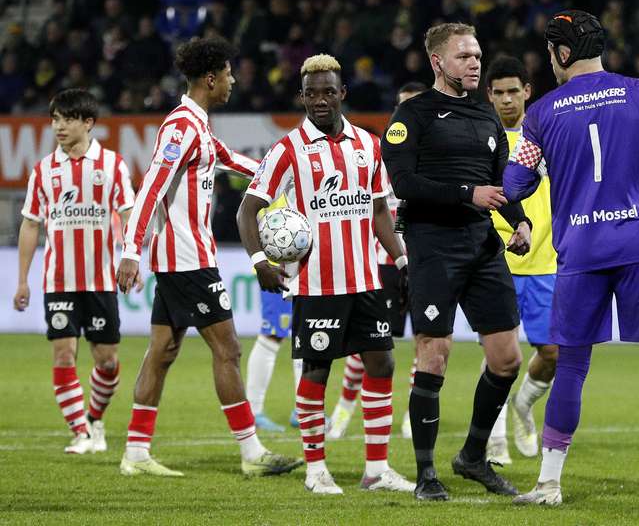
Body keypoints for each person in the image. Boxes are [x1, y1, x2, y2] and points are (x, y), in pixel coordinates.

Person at [504, 10, 639, 508]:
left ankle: (548, 485)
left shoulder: (542, 113)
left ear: (561, 53)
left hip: (579, 249)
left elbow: (516, 185)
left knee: (573, 364)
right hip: (638, 246)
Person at [116, 36, 301, 478]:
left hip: (181, 260)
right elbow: (151, 188)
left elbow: (235, 161)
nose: (234, 81)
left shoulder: (196, 126)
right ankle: (251, 452)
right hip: (188, 260)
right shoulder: (181, 128)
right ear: (211, 78)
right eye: (229, 74)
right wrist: (130, 250)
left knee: (161, 351)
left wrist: (293, 177)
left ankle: (136, 453)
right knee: (229, 348)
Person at [236, 54, 415, 495]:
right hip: (317, 286)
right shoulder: (287, 150)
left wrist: (403, 259)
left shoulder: (368, 145)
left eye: (328, 91)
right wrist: (261, 260)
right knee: (316, 371)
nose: (320, 100)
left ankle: (376, 470)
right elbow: (247, 210)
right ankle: (316, 470)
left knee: (383, 361)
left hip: (366, 280)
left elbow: (378, 212)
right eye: (311, 93)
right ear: (301, 96)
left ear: (342, 93)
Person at [381, 23, 532, 501]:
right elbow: (404, 183)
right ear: (437, 62)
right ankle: (426, 476)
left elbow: (500, 183)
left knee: (507, 359)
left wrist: (520, 221)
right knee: (434, 356)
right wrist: (469, 194)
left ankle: (471, 456)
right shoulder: (413, 114)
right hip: (433, 246)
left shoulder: (488, 118)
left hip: (482, 245)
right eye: (464, 55)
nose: (474, 62)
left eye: (477, 55)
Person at [14, 88, 135, 455]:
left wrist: (132, 256)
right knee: (64, 353)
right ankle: (80, 431)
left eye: (67, 119)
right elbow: (30, 225)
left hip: (100, 281)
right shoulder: (43, 170)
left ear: (88, 123)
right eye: (54, 119)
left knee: (107, 360)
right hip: (59, 282)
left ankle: (95, 418)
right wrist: (22, 279)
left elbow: (129, 213)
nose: (59, 126)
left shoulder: (112, 165)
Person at [325, 81, 428, 442]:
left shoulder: (441, 155)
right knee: (371, 343)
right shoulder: (376, 151)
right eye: (402, 105)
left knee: (425, 342)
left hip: (426, 263)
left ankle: (412, 415)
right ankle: (344, 407)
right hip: (383, 263)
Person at [483, 57, 558, 465]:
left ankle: (523, 408)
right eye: (499, 93)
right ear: (488, 96)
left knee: (551, 353)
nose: (507, 100)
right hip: (497, 263)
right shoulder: (484, 139)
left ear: (527, 91)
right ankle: (494, 442)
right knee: (499, 354)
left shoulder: (546, 135)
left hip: (546, 262)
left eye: (514, 91)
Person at [244, 193, 304, 432]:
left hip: (303, 267)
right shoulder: (276, 182)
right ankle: (254, 411)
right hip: (278, 268)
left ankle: (303, 409)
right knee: (272, 334)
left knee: (306, 333)